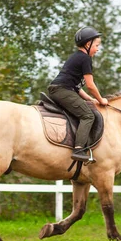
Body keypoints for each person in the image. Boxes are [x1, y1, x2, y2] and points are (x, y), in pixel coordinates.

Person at [48, 26, 109, 162]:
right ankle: (79, 149)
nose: (98, 49)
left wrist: (91, 99)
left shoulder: (77, 57)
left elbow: (78, 87)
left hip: (61, 89)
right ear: (88, 44)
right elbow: (90, 85)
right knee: (88, 115)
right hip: (62, 90)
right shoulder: (85, 59)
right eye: (97, 45)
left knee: (85, 108)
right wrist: (101, 99)